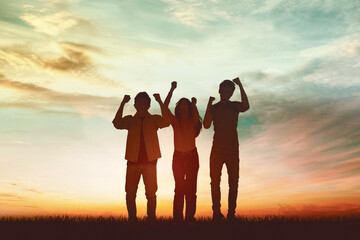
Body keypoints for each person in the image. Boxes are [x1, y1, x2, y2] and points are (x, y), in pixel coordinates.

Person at [112, 92, 170, 222]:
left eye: (144, 103)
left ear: (149, 105)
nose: (142, 105)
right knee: (130, 193)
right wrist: (122, 103)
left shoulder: (154, 119)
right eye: (139, 103)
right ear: (135, 105)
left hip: (150, 162)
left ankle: (151, 219)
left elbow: (167, 121)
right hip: (133, 162)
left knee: (151, 194)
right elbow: (116, 123)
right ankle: (132, 219)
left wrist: (160, 101)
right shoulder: (130, 120)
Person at [203, 77, 250, 221]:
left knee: (233, 182)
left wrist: (241, 85)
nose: (227, 93)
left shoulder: (235, 105)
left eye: (230, 91)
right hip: (217, 148)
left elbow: (246, 106)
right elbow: (205, 124)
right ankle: (216, 213)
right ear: (220, 91)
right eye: (225, 90)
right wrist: (209, 104)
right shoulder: (214, 107)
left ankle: (231, 213)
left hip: (232, 149)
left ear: (231, 93)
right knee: (215, 182)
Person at [164, 81, 202, 223]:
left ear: (189, 108)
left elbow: (196, 114)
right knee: (179, 189)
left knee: (191, 190)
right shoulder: (174, 121)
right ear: (178, 108)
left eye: (186, 105)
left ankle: (190, 219)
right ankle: (178, 220)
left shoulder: (193, 120)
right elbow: (164, 107)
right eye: (181, 105)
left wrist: (194, 103)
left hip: (192, 157)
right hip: (178, 157)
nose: (183, 107)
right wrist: (171, 90)